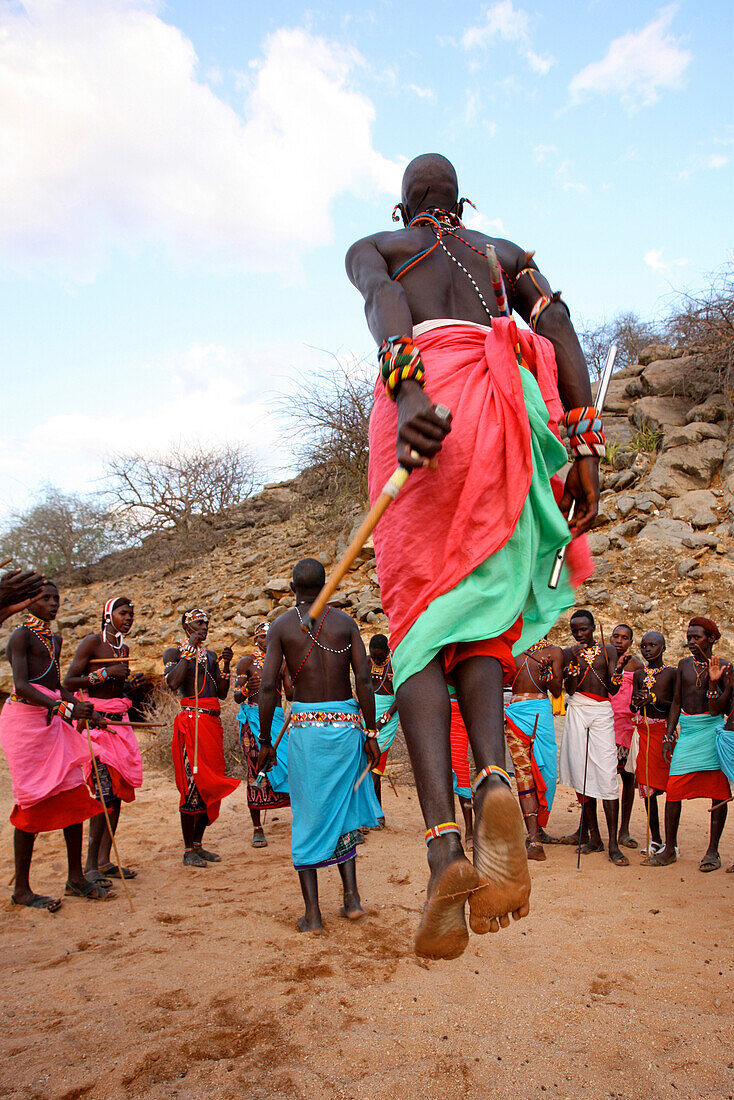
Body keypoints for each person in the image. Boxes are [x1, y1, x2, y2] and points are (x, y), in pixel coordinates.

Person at [346, 153, 596, 959]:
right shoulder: (503, 254)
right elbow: (556, 326)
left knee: (419, 619)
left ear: (406, 203)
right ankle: (492, 774)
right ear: (461, 201)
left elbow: (382, 302)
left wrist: (408, 389)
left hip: (425, 397)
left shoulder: (378, 246)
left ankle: (444, 847)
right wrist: (583, 445)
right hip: (502, 417)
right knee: (480, 603)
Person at [257, 559, 382, 934]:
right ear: (326, 585)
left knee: (309, 815)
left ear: (293, 586)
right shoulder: (345, 623)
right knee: (341, 811)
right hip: (346, 729)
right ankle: (352, 899)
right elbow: (363, 678)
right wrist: (372, 733)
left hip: (307, 732)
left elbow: (267, 688)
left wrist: (266, 740)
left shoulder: (281, 626)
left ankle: (313, 915)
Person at [0, 582, 113, 909]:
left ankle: (76, 878)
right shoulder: (20, 635)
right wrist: (67, 709)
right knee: (31, 801)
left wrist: (86, 709)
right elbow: (22, 686)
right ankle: (22, 890)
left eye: (56, 598)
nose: (53, 604)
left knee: (74, 794)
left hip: (51, 722)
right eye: (45, 598)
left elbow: (54, 687)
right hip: (24, 724)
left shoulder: (55, 639)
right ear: (27, 603)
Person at [64, 596, 145, 882]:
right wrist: (104, 673)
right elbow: (69, 682)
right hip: (93, 724)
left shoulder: (124, 648)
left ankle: (104, 860)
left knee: (116, 793)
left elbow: (116, 694)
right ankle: (90, 868)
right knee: (103, 793)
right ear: (108, 614)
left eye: (131, 614)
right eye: (123, 613)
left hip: (117, 724)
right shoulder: (91, 643)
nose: (129, 618)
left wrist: (130, 686)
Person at [645, 618, 731, 871]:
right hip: (689, 731)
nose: (691, 642)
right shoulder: (683, 666)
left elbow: (720, 709)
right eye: (689, 637)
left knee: (719, 792)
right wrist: (669, 736)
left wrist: (714, 683)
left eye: (697, 637)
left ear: (712, 638)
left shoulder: (725, 667)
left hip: (711, 731)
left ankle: (712, 851)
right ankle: (669, 847)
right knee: (674, 789)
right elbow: (676, 703)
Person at [163, 609, 239, 867]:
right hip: (191, 723)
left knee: (210, 784)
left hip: (211, 723)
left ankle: (198, 845)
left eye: (206, 622)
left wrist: (227, 664)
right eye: (199, 622)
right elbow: (173, 684)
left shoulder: (211, 655)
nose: (204, 626)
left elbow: (222, 693)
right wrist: (189, 650)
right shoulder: (173, 653)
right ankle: (187, 850)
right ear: (187, 626)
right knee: (192, 784)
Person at [559, 610, 629, 866]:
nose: (579, 634)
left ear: (592, 627)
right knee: (581, 772)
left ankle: (613, 845)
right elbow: (570, 689)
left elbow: (612, 688)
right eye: (575, 630)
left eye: (583, 629)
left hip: (601, 713)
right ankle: (595, 838)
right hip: (577, 709)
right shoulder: (569, 653)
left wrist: (619, 669)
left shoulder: (609, 650)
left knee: (607, 774)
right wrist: (574, 665)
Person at [505, 636, 564, 860]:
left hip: (542, 711)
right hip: (516, 715)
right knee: (524, 775)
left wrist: (547, 673)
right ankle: (534, 839)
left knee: (547, 773)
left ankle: (538, 829)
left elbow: (557, 691)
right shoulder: (512, 651)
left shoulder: (555, 651)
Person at [234, 622, 291, 848]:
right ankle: (257, 828)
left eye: (270, 637)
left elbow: (291, 694)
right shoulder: (246, 662)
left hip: (277, 720)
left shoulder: (282, 663)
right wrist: (248, 687)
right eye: (262, 637)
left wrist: (298, 673)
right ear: (255, 639)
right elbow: (237, 696)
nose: (266, 641)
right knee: (254, 770)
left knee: (289, 764)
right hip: (254, 721)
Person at [630, 632, 676, 857]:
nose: (647, 649)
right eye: (644, 645)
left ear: (663, 647)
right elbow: (632, 707)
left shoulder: (671, 673)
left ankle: (671, 842)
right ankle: (656, 839)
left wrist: (655, 699)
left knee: (669, 787)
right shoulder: (639, 673)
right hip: (643, 732)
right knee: (647, 789)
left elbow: (676, 704)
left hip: (663, 733)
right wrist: (637, 700)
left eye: (652, 645)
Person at [609, 624, 644, 849]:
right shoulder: (603, 659)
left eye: (624, 638)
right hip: (606, 726)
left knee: (627, 778)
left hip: (628, 727)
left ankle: (624, 830)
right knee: (603, 777)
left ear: (630, 642)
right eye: (616, 636)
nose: (619, 641)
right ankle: (591, 827)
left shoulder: (637, 665)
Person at [368, 634, 398, 825]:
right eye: (374, 657)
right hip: (368, 716)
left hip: (387, 720)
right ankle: (376, 813)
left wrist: (383, 720)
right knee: (366, 765)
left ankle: (373, 814)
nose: (376, 661)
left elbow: (401, 696)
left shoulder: (396, 663)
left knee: (374, 769)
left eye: (380, 658)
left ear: (387, 652)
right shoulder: (366, 661)